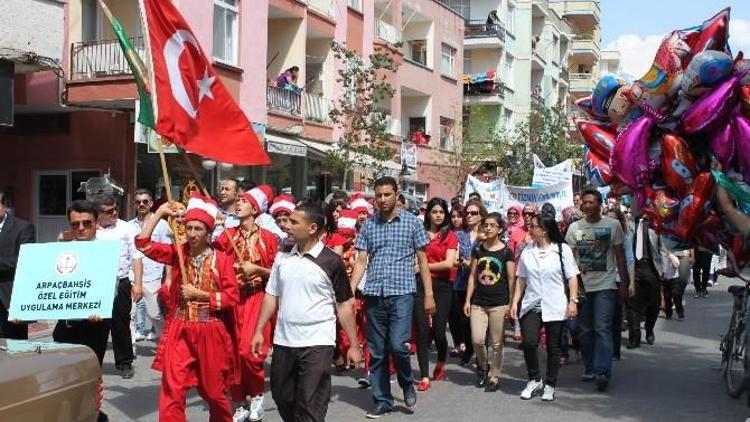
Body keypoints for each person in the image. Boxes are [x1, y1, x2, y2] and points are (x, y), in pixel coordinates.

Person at [251, 202, 361, 422]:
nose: (287, 226)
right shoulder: (283, 257)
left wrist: (354, 345)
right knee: (283, 397)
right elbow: (272, 295)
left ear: (312, 228)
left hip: (318, 343)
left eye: (294, 222)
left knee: (310, 404)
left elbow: (344, 305)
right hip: (284, 341)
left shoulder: (331, 261)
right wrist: (259, 330)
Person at [135, 193, 240, 422]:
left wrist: (200, 294)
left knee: (214, 392)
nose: (192, 234)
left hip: (211, 329)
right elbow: (143, 244)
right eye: (189, 228)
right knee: (172, 388)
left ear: (209, 232)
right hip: (180, 327)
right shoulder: (178, 253)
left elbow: (232, 297)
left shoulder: (221, 260)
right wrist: (160, 213)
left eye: (198, 229)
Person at [349, 176, 435, 419]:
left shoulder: (412, 223)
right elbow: (361, 261)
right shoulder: (368, 226)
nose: (382, 199)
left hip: (402, 294)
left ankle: (407, 382)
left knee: (398, 345)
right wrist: (349, 290)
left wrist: (428, 295)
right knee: (377, 352)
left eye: (387, 194)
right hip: (374, 294)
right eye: (378, 195)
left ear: (397, 195)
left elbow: (422, 260)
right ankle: (383, 400)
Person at [214, 190, 279, 422]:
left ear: (255, 209)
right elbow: (213, 261)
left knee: (250, 350)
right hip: (233, 299)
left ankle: (258, 395)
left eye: (244, 202)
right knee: (232, 353)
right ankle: (240, 400)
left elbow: (278, 273)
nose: (238, 204)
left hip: (257, 298)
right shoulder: (227, 235)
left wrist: (257, 270)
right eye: (238, 201)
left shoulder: (269, 238)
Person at [564, 189, 629, 392]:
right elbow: (568, 259)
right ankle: (590, 366)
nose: (589, 206)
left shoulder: (613, 225)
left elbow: (619, 256)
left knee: (602, 328)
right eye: (585, 203)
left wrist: (625, 283)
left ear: (600, 204)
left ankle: (603, 371)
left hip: (606, 286)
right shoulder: (574, 228)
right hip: (582, 287)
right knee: (584, 330)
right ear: (581, 206)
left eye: (592, 202)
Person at [53, 200, 111, 422]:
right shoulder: (60, 249)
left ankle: (91, 416)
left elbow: (110, 289)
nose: (80, 228)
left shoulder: (105, 252)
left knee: (89, 380)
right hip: (65, 326)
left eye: (87, 223)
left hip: (94, 326)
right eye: (75, 224)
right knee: (63, 378)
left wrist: (100, 307)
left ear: (96, 223)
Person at [511, 215, 580, 401]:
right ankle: (534, 379)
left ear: (545, 230)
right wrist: (514, 302)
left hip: (555, 304)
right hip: (532, 304)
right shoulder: (527, 251)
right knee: (529, 343)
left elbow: (572, 276)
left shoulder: (561, 249)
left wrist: (572, 301)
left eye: (533, 226)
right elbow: (521, 278)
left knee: (553, 346)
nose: (530, 230)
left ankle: (550, 383)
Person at [463, 212, 515, 392]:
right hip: (478, 301)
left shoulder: (507, 251)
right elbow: (472, 276)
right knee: (477, 340)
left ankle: (494, 375)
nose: (488, 228)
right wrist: (467, 300)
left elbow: (510, 278)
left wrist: (510, 303)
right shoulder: (478, 249)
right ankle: (483, 367)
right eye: (486, 225)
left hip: (499, 303)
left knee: (497, 343)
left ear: (500, 229)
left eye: (493, 225)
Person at [96, 194, 143, 379]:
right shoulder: (92, 229)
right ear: (99, 214)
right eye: (108, 211)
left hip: (121, 282)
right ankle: (93, 363)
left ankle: (124, 363)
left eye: (115, 208)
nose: (114, 212)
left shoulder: (126, 228)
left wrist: (137, 283)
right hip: (98, 283)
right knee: (96, 325)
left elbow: (136, 256)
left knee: (120, 323)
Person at [413, 198, 457, 391]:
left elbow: (449, 264)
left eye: (441, 212)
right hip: (420, 286)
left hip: (442, 286)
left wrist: (422, 267)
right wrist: (419, 269)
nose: (438, 215)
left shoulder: (450, 236)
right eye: (434, 211)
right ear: (428, 214)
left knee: (439, 331)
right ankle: (424, 376)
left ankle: (440, 362)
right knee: (423, 331)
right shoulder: (419, 234)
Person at [129, 189, 170, 343]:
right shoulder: (129, 226)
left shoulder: (162, 225)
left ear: (151, 203)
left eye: (145, 201)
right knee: (129, 315)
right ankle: (130, 348)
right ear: (134, 205)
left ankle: (166, 342)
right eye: (138, 202)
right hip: (132, 276)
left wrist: (169, 278)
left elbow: (168, 254)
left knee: (155, 315)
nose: (141, 204)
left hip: (153, 276)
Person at [0, 190, 35, 339]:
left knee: (14, 345)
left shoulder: (23, 227)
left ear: (4, 206)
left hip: (10, 296)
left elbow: (25, 259)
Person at [626, 215, 664, 349]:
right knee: (632, 304)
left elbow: (662, 248)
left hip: (651, 268)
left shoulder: (655, 223)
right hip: (633, 268)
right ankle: (634, 337)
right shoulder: (629, 223)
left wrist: (663, 269)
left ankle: (649, 329)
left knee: (654, 303)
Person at [448, 204, 473, 366]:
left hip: (464, 278)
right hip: (448, 278)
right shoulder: (448, 233)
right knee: (452, 314)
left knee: (465, 316)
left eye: (459, 216)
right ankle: (458, 343)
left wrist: (464, 261)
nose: (456, 219)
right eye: (453, 216)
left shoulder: (466, 235)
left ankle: (468, 345)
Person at [606, 208, 631, 359]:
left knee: (615, 319)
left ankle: (615, 350)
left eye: (613, 219)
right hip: (601, 282)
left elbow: (629, 261)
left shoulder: (624, 239)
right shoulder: (599, 235)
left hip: (616, 281)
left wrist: (629, 283)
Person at [662, 240, 686, 320]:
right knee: (667, 297)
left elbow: (676, 265)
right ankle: (668, 313)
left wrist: (670, 256)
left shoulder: (673, 255)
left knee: (676, 295)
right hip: (665, 279)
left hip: (674, 278)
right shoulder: (660, 256)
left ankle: (680, 312)